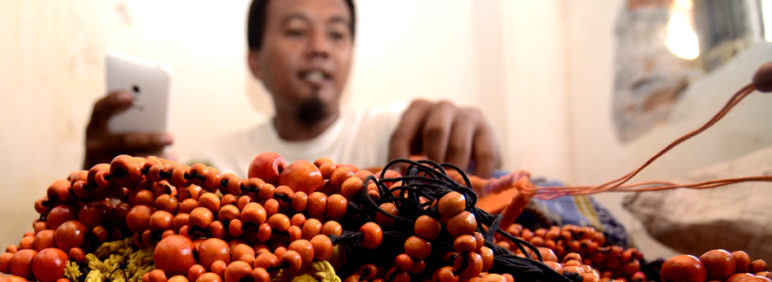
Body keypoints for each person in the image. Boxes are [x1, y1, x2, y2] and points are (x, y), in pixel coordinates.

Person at [83, 0, 502, 177]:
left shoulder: (394, 136)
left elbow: (431, 124)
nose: (320, 49)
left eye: (337, 34)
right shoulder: (214, 164)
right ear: (255, 62)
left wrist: (453, 127)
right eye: (297, 31)